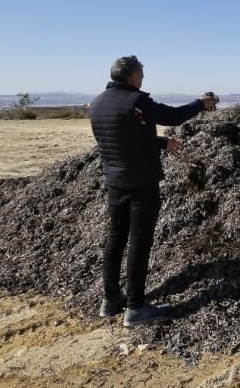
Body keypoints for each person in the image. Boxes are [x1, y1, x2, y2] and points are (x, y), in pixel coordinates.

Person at [89, 55, 217, 326]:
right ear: (133, 76)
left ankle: (110, 300)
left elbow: (122, 135)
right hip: (141, 183)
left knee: (115, 238)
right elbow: (172, 115)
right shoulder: (137, 101)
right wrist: (201, 104)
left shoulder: (98, 103)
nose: (143, 78)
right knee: (139, 241)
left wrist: (161, 142)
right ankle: (135, 308)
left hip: (114, 182)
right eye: (141, 73)